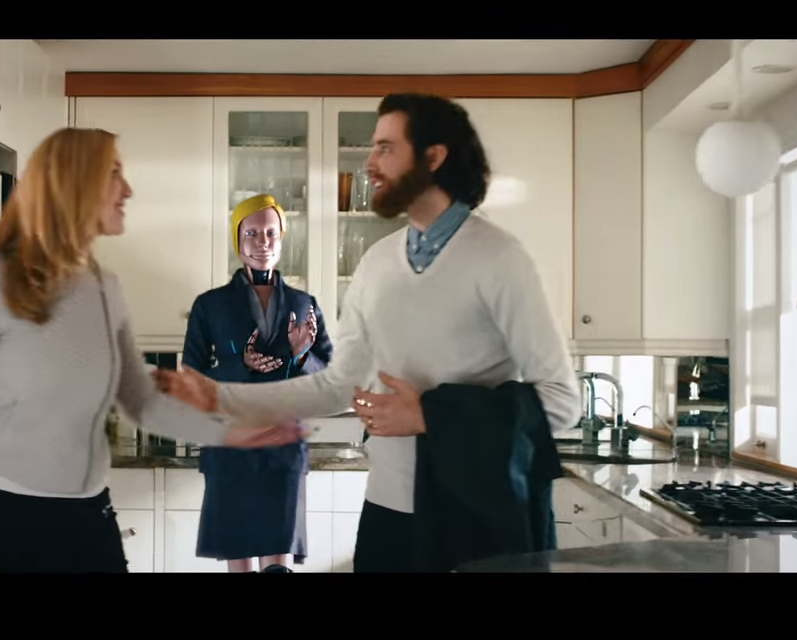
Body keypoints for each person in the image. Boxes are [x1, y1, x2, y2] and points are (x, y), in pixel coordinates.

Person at [156, 93, 581, 572]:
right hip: (387, 506)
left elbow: (562, 403)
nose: (369, 163)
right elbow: (337, 385)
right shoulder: (377, 262)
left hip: (476, 513)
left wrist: (430, 415)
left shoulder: (500, 258)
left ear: (433, 157)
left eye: (385, 148)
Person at [0, 128, 302, 574]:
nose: (128, 189)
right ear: (75, 183)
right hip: (0, 521)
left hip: (89, 518)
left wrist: (230, 434)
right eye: (114, 173)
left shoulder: (103, 287)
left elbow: (142, 401)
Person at [182, 194, 334, 573]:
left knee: (278, 565)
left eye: (270, 233)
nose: (262, 242)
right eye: (251, 233)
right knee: (240, 563)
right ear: (237, 239)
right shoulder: (210, 306)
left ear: (281, 238)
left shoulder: (305, 304)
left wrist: (302, 355)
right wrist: (239, 365)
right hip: (231, 448)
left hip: (284, 449)